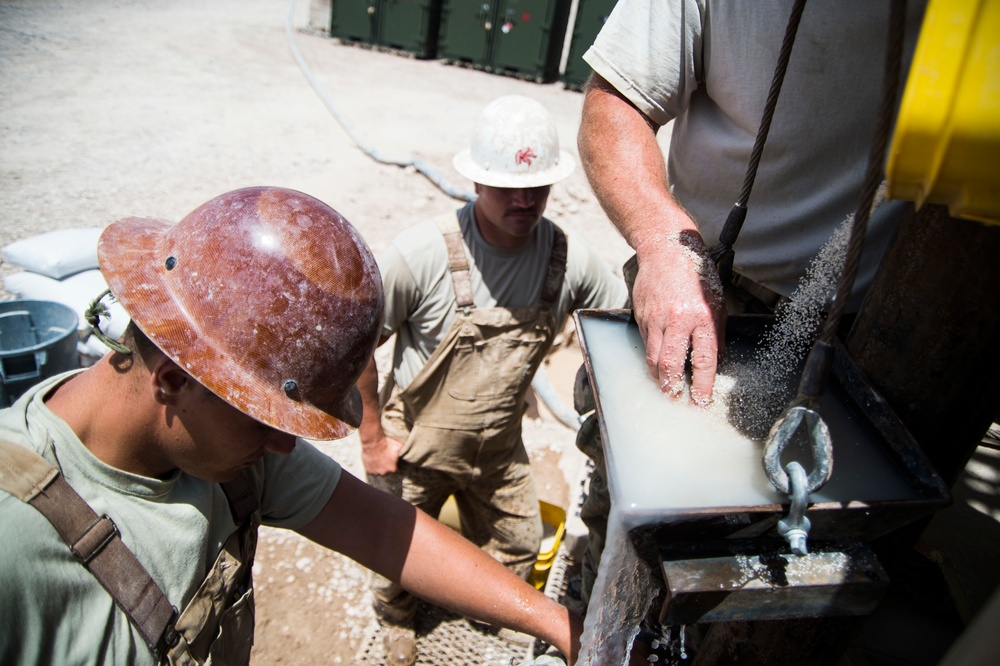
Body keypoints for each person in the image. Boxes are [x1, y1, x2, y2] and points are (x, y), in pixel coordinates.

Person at [0, 186, 582, 666]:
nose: (285, 446)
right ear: (174, 380)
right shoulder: (16, 542)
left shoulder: (228, 447)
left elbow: (386, 532)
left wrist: (556, 622)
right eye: (266, 420)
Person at [573, 0, 927, 602]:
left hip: (872, 322)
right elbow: (614, 103)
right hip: (705, 281)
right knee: (636, 507)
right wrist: (664, 244)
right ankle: (596, 614)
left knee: (802, 549)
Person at [357, 95, 627, 663]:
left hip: (498, 447)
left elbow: (619, 328)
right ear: (476, 182)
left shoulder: (569, 260)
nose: (524, 201)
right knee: (393, 550)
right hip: (415, 447)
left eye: (537, 187)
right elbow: (358, 348)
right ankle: (397, 617)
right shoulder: (422, 254)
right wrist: (372, 439)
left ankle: (494, 610)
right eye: (507, 187)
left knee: (521, 542)